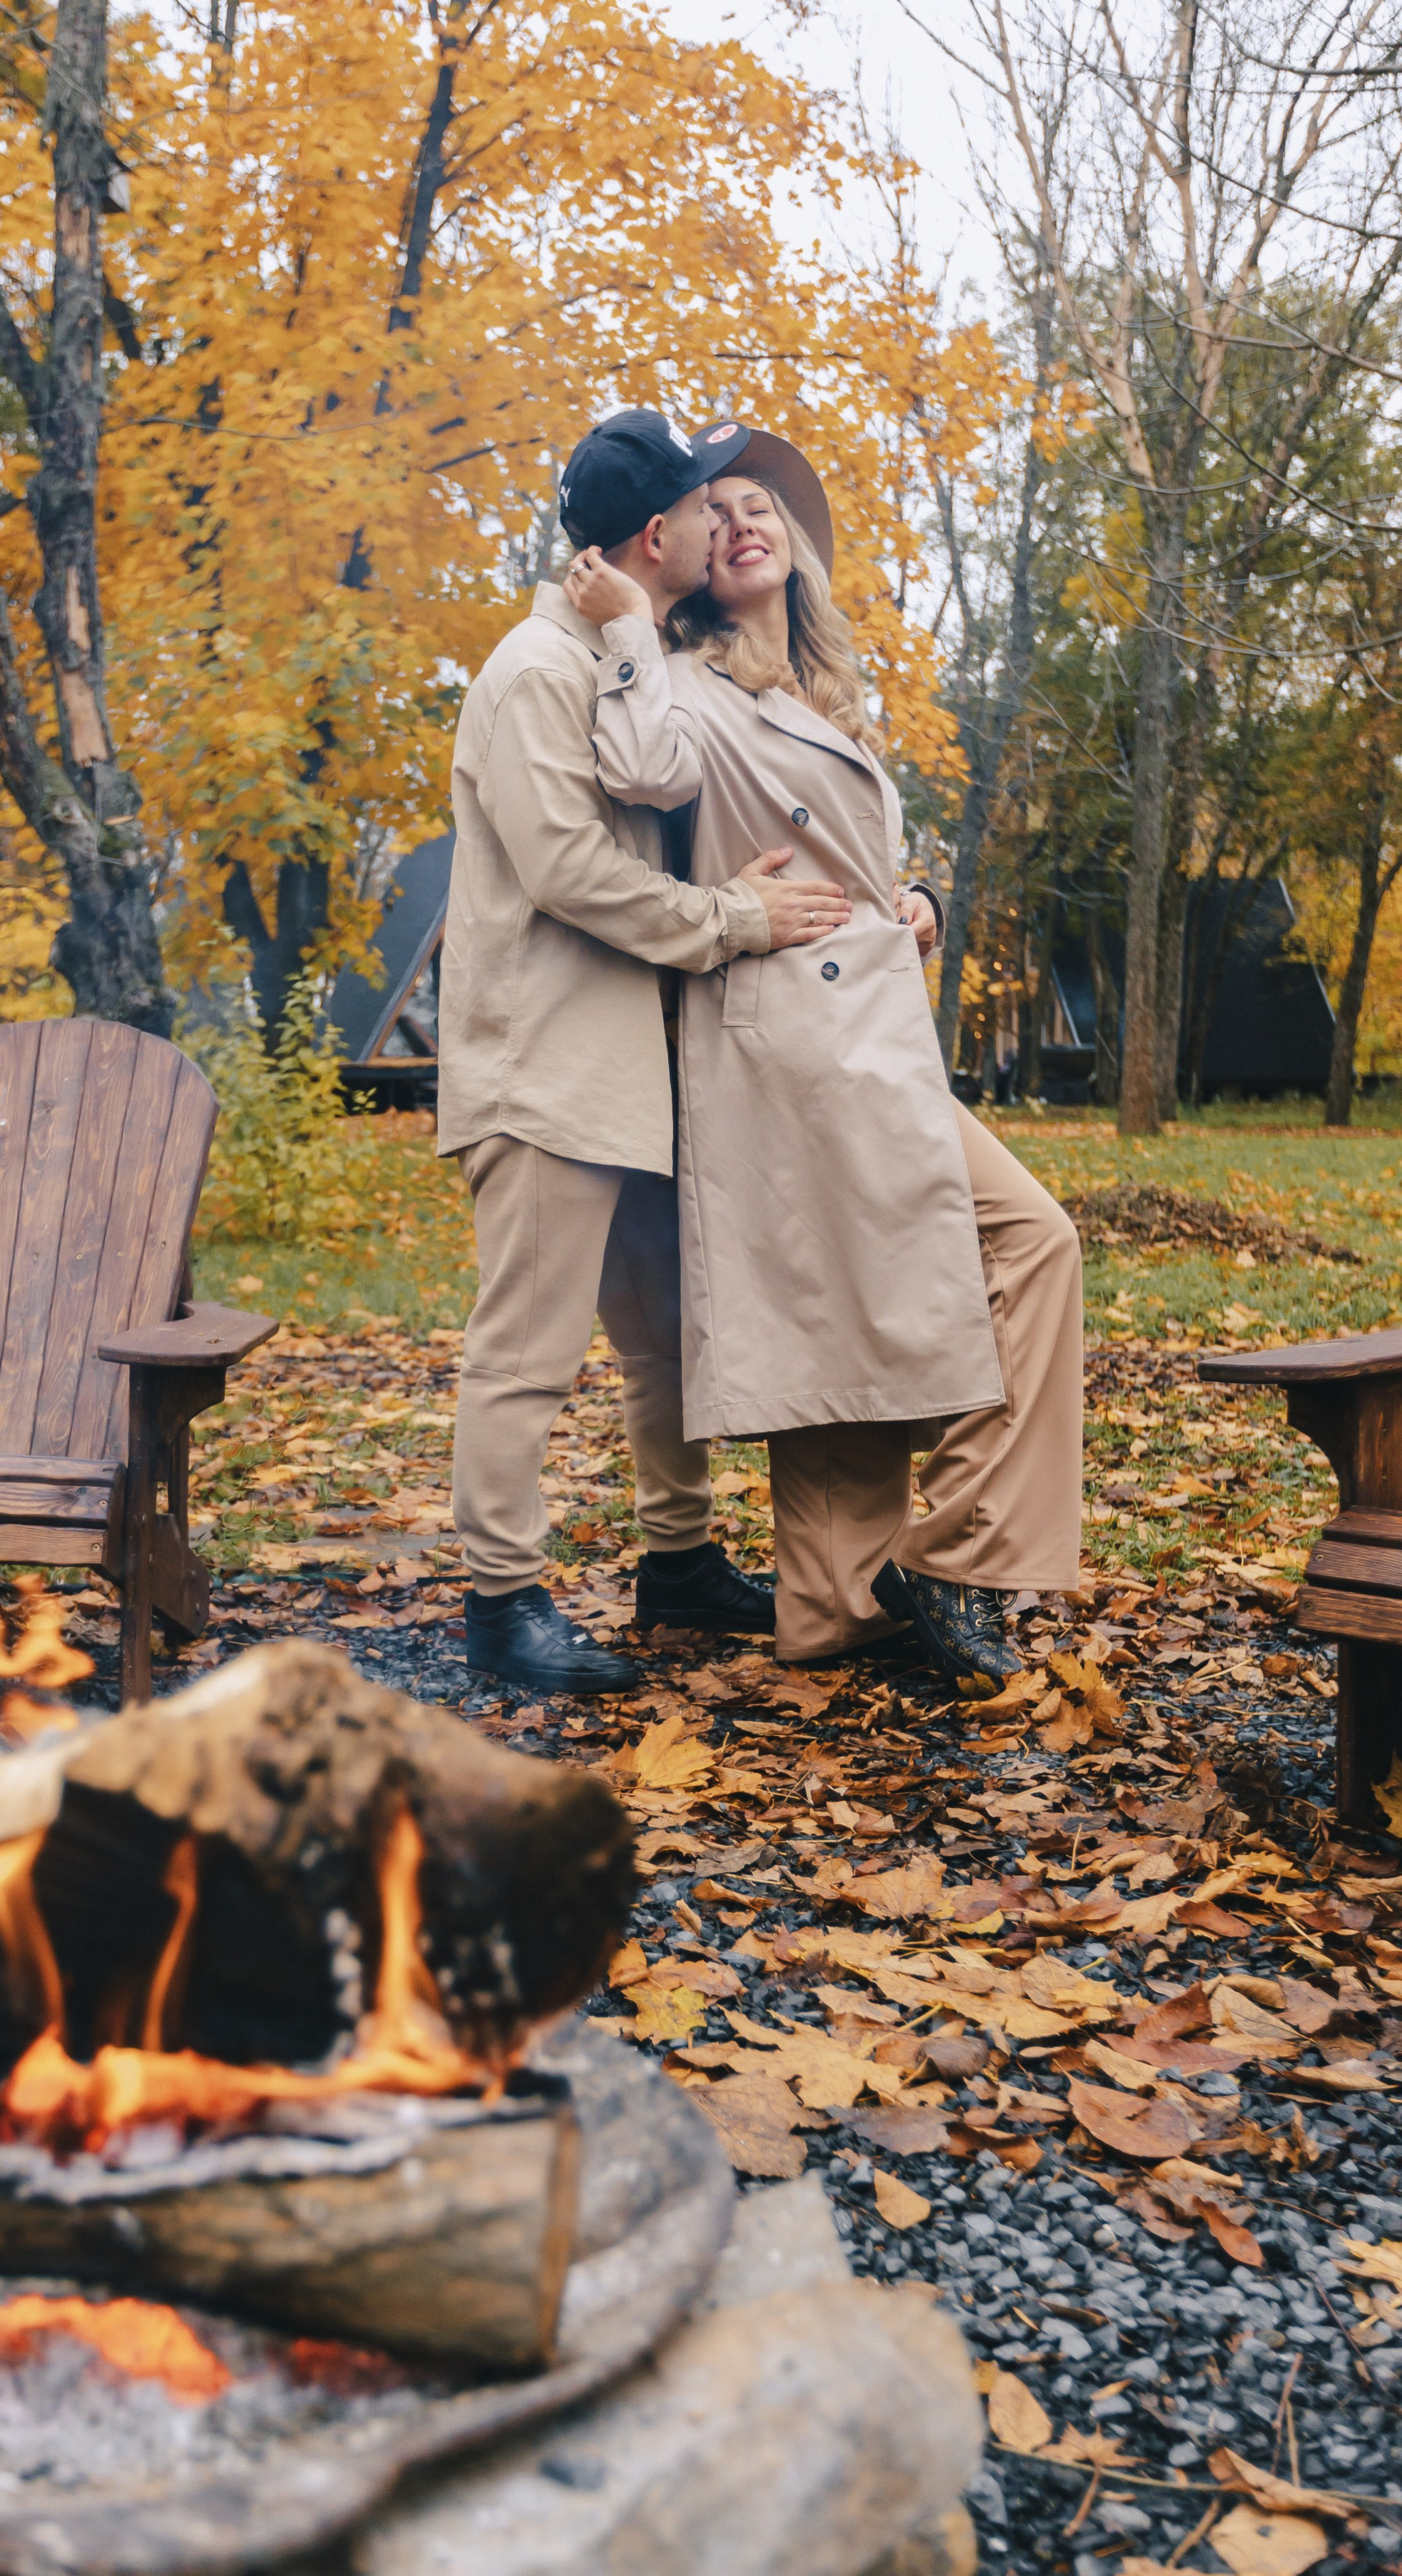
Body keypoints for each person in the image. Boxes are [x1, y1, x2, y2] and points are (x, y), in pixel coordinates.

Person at [568, 426, 1083, 1684]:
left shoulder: (827, 692)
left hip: (856, 1031)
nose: (744, 522)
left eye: (766, 509)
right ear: (691, 549)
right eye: (721, 510)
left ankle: (857, 1604)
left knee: (877, 1309)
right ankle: (920, 1573)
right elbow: (637, 766)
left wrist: (916, 895)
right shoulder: (683, 679)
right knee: (915, 1287)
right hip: (781, 1039)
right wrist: (634, 621)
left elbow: (856, 847)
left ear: (799, 547)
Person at [440, 409, 854, 1696]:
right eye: (695, 504)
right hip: (544, 1068)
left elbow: (671, 797)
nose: (715, 517)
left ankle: (675, 1565)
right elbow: (567, 870)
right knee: (526, 1352)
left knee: (663, 1339)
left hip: (639, 1068)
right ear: (653, 533)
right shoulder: (530, 671)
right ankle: (503, 1610)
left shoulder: (625, 659)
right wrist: (732, 920)